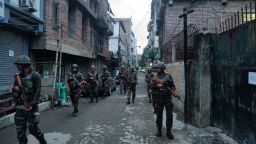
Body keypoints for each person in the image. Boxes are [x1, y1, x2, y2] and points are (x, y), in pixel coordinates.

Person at [12, 55, 47, 144]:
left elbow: (37, 92)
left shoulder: (35, 75)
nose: (17, 66)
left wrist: (32, 104)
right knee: (20, 133)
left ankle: (42, 141)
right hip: (20, 107)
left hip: (31, 107)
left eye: (18, 65)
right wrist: (15, 90)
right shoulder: (18, 77)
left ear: (24, 65)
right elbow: (15, 92)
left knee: (33, 130)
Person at [151, 62, 177, 139]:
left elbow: (173, 86)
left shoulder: (168, 76)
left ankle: (169, 131)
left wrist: (173, 91)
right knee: (159, 115)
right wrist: (157, 86)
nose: (157, 69)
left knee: (169, 115)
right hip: (159, 98)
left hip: (168, 98)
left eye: (159, 67)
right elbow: (152, 88)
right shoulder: (155, 77)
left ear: (162, 68)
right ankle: (159, 130)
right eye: (157, 67)